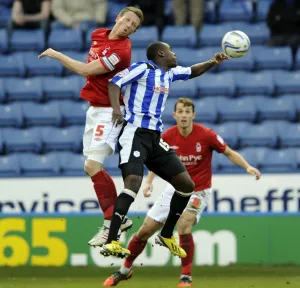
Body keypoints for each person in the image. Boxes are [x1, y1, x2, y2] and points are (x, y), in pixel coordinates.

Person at [103, 97, 262, 287]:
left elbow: (228, 152)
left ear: (193, 115)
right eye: (180, 112)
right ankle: (124, 271)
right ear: (175, 115)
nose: (184, 115)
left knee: (183, 223)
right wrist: (149, 182)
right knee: (145, 230)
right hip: (174, 189)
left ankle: (186, 277)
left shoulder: (206, 135)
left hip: (199, 191)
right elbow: (157, 161)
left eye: (188, 112)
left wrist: (247, 166)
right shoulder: (168, 136)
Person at [99, 42, 228, 259]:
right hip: (135, 133)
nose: (175, 54)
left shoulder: (169, 74)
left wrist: (212, 62)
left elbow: (192, 71)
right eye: (171, 51)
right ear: (160, 53)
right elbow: (114, 83)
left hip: (154, 138)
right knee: (132, 184)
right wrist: (116, 111)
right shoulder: (142, 68)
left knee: (186, 185)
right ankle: (111, 241)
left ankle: (166, 235)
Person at [38, 6, 144, 247]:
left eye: (133, 26)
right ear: (118, 18)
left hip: (110, 111)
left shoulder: (121, 52)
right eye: (127, 20)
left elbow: (86, 70)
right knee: (89, 166)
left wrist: (56, 54)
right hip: (94, 109)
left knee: (94, 165)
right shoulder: (98, 34)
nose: (128, 26)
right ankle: (118, 217)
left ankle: (112, 225)